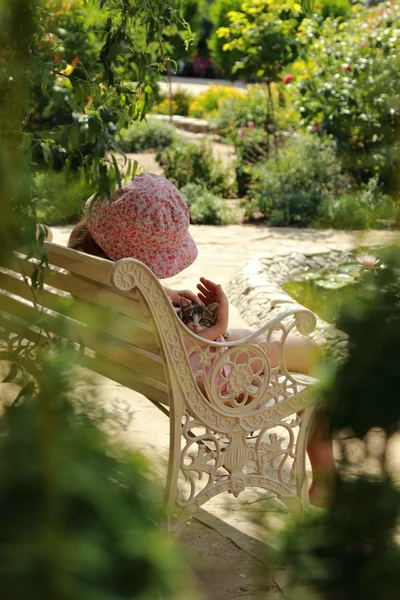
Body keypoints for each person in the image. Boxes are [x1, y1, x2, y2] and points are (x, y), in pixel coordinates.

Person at [68, 171, 335, 506]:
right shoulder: (127, 294)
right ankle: (327, 481)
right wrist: (219, 321)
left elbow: (161, 333)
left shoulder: (93, 276)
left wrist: (162, 295)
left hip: (178, 366)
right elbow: (193, 350)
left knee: (270, 345)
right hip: (210, 375)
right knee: (314, 359)